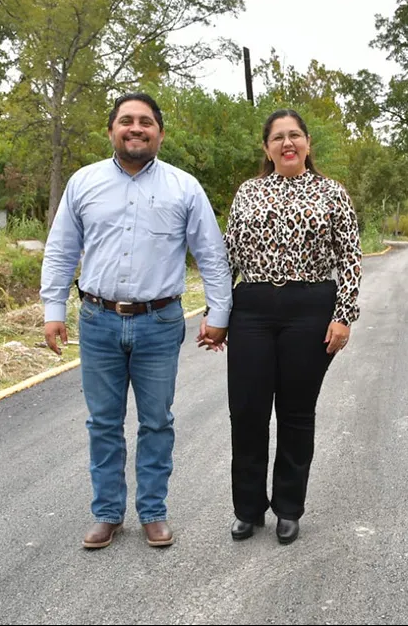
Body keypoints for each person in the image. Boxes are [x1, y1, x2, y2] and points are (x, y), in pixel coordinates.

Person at [41, 92, 233, 549]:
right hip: (97, 320)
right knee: (103, 423)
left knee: (157, 422)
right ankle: (108, 513)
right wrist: (53, 310)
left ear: (160, 134)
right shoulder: (83, 183)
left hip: (159, 322)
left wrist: (218, 313)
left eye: (146, 121)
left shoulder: (184, 188)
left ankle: (153, 511)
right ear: (111, 130)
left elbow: (211, 254)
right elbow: (62, 248)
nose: (136, 128)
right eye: (126, 120)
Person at [213, 108, 362, 545]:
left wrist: (344, 315)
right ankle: (248, 509)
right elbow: (227, 258)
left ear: (308, 143)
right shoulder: (248, 192)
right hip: (253, 309)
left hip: (310, 307)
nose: (287, 143)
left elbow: (350, 257)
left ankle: (289, 508)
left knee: (296, 413)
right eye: (277, 137)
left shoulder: (332, 193)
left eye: (294, 135)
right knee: (247, 411)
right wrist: (216, 314)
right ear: (267, 148)